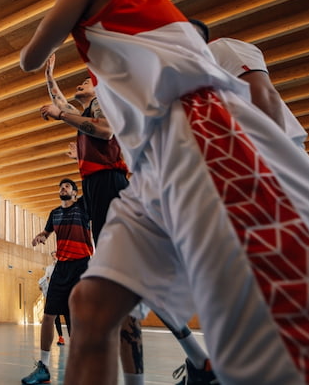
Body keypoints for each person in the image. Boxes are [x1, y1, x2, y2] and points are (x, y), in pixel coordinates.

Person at [19, 0, 309, 384]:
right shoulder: (117, 49)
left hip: (196, 130)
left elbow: (29, 57)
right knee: (89, 306)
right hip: (149, 172)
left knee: (285, 325)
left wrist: (272, 163)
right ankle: (197, 359)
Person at [42, 55, 216, 385]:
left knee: (118, 284)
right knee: (132, 283)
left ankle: (198, 360)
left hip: (110, 187)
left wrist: (61, 115)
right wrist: (48, 76)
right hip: (100, 190)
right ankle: (199, 360)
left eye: (85, 81)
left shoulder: (103, 104)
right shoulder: (87, 112)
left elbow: (106, 132)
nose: (79, 83)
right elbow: (61, 103)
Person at [190, 18, 307, 149]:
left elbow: (264, 94)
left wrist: (275, 150)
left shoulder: (219, 48)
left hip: (271, 148)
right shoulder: (182, 79)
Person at [22, 179, 93, 385]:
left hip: (82, 266)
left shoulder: (83, 206)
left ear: (75, 192)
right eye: (60, 186)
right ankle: (43, 367)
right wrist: (41, 236)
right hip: (61, 268)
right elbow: (47, 231)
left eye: (67, 186)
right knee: (48, 316)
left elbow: (91, 182)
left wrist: (80, 156)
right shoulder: (54, 214)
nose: (63, 188)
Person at [38, 250, 66, 345]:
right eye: (53, 256)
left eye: (55, 255)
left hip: (64, 291)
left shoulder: (65, 266)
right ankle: (61, 337)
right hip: (54, 293)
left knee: (67, 314)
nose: (54, 257)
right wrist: (42, 284)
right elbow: (46, 277)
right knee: (55, 316)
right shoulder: (49, 268)